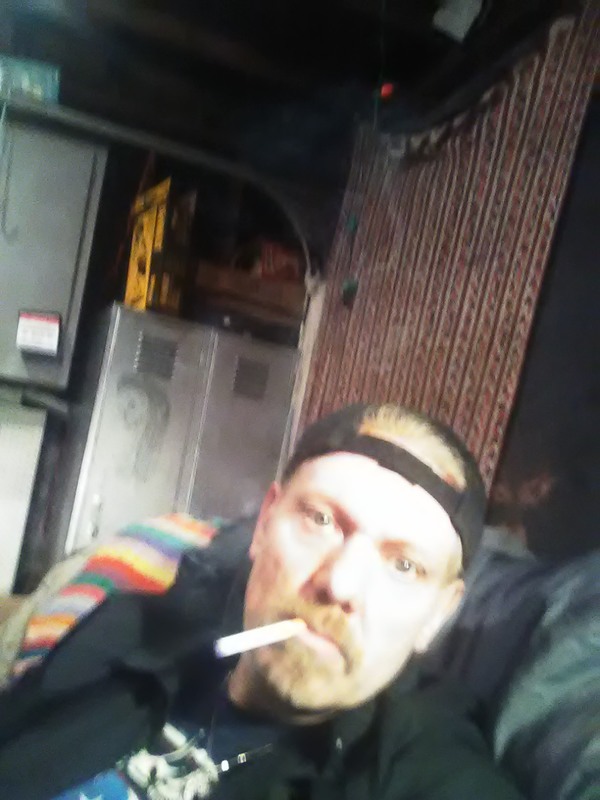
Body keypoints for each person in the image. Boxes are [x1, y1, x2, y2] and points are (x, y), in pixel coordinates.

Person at [0, 403, 525, 800]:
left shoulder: (423, 770)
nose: (340, 585)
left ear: (438, 614)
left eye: (404, 566)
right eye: (321, 520)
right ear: (265, 523)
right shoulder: (125, 630)